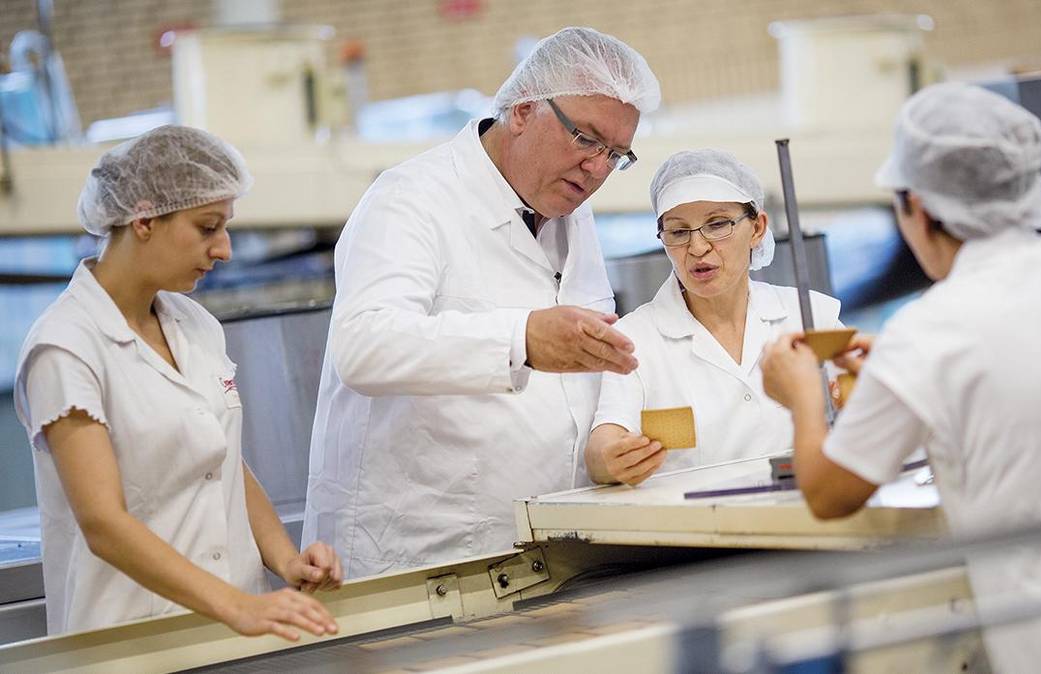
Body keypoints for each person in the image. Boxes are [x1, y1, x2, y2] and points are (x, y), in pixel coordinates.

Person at [759, 83, 1041, 672]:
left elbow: (829, 493)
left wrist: (802, 395)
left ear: (914, 206)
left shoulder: (931, 331)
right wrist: (898, 378)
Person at [302, 27, 661, 576]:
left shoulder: (567, 209)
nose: (597, 169)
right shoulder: (411, 199)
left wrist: (606, 438)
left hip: (549, 547)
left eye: (616, 154)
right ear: (522, 110)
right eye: (586, 139)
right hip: (425, 557)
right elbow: (363, 345)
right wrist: (521, 339)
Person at [14, 126, 343, 639]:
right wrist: (234, 606)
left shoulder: (194, 324)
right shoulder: (66, 346)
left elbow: (220, 459)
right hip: (132, 642)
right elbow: (103, 524)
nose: (225, 250)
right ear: (143, 219)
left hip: (229, 637)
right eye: (208, 227)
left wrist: (286, 559)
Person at [585, 149, 841, 485]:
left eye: (717, 224)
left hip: (808, 519)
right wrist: (610, 459)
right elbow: (602, 445)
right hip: (696, 531)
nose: (698, 247)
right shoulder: (636, 338)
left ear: (758, 227)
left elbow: (864, 405)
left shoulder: (811, 317)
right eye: (678, 232)